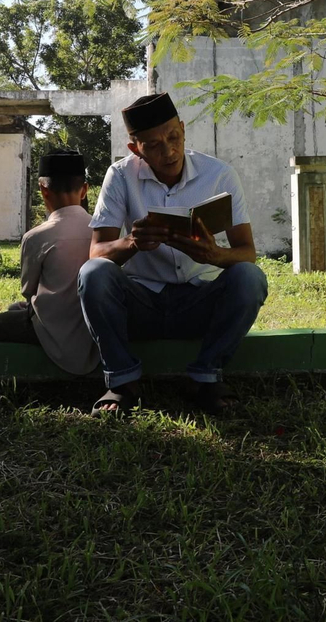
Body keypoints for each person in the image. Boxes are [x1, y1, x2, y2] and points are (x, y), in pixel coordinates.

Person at [79, 92, 269, 415]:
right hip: (141, 305)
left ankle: (206, 378)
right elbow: (96, 252)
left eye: (174, 137)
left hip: (200, 302)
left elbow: (247, 252)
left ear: (183, 129)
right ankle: (122, 383)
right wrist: (132, 243)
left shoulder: (219, 175)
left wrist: (214, 255)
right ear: (134, 148)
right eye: (152, 145)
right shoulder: (121, 176)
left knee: (250, 278)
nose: (168, 151)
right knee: (92, 275)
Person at [0, 150, 100, 375]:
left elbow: (28, 291)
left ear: (43, 190)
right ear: (84, 190)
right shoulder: (102, 231)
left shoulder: (37, 237)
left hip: (51, 328)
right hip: (94, 330)